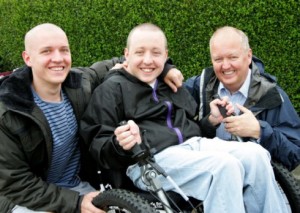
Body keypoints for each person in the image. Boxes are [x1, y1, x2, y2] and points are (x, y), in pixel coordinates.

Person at [80, 23, 289, 213]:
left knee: (256, 154)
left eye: (156, 53)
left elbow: (189, 129)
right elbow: (97, 143)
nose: (147, 60)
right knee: (224, 166)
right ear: (126, 54)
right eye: (139, 52)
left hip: (192, 147)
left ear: (165, 55)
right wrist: (119, 143)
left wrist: (211, 121)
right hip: (150, 161)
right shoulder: (111, 89)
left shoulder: (170, 84)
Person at [0, 23, 182, 213]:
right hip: (24, 198)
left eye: (64, 50)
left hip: (77, 187)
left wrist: (165, 68)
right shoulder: (9, 111)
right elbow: (15, 182)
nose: (58, 58)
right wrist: (75, 203)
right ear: (27, 58)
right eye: (47, 51)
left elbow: (129, 59)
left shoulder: (79, 83)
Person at [184, 26, 300, 174]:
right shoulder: (199, 85)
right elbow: (161, 102)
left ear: (249, 56)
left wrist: (259, 131)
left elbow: (295, 155)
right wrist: (209, 123)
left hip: (254, 185)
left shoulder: (272, 95)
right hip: (208, 182)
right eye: (218, 59)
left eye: (233, 57)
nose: (225, 66)